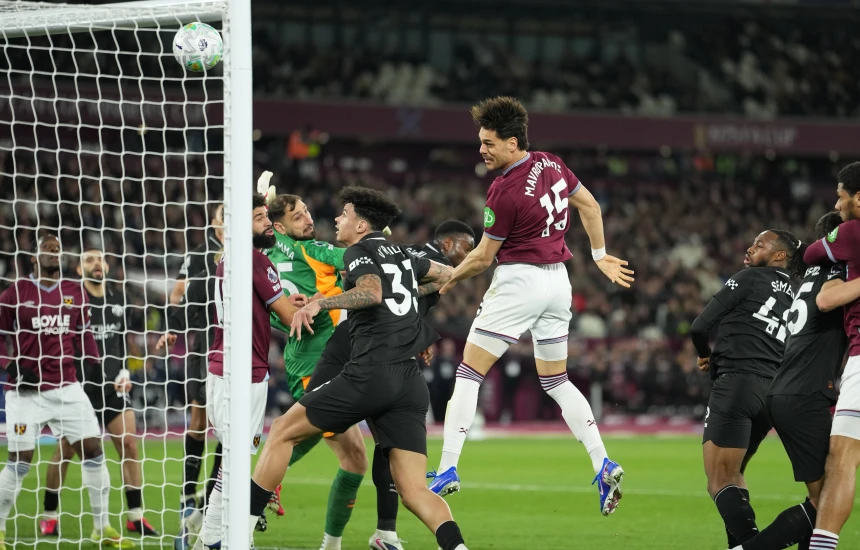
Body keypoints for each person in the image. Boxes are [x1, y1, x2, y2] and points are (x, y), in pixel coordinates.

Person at [428, 96, 633, 517]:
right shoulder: (552, 163)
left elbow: (483, 258)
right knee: (556, 380)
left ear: (512, 142)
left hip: (519, 281)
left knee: (468, 373)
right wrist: (599, 255)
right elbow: (590, 205)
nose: (482, 150)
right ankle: (602, 462)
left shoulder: (503, 191)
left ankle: (447, 468)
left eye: (488, 143)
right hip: (559, 281)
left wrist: (448, 280)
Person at [248, 186, 470, 550]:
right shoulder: (401, 254)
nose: (337, 218)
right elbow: (447, 275)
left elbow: (371, 292)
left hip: (369, 373)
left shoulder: (358, 251)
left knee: (283, 430)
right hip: (409, 383)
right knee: (414, 491)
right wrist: (410, 317)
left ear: (362, 225)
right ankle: (455, 547)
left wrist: (322, 304)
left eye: (345, 213)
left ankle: (240, 532)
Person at [304, 220, 476, 550]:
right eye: (466, 249)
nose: (468, 256)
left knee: (382, 446)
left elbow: (399, 302)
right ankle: (255, 496)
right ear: (448, 244)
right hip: (360, 345)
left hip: (378, 348)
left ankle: (385, 534)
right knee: (297, 428)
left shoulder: (407, 253)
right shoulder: (430, 264)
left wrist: (416, 335)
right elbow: (393, 294)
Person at [160, 194, 305, 549]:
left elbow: (258, 307)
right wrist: (319, 304)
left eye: (266, 216)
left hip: (219, 368)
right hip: (245, 374)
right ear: (242, 226)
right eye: (259, 218)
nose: (268, 223)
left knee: (232, 461)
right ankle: (221, 537)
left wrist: (283, 303)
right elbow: (291, 319)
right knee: (237, 463)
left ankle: (209, 538)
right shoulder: (256, 261)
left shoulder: (227, 258)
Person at [0, 235, 132, 549]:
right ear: (34, 257)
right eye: (46, 248)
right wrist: (10, 366)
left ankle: (102, 528)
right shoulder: (15, 293)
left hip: (67, 387)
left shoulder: (74, 291)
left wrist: (96, 365)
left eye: (57, 249)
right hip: (26, 392)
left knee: (94, 451)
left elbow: (84, 334)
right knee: (20, 461)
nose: (53, 252)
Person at [731, 213, 853, 550]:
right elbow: (830, 302)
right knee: (826, 501)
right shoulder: (838, 274)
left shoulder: (812, 273)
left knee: (823, 497)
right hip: (805, 393)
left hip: (788, 389)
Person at [260, 188, 367, 546]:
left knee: (350, 456)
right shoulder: (315, 250)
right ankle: (254, 489)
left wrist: (267, 201)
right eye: (298, 216)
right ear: (281, 226)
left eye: (307, 211)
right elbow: (357, 257)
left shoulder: (265, 254)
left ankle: (263, 485)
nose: (309, 219)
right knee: (334, 445)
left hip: (305, 357)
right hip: (319, 361)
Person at [690, 229, 806, 548]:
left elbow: (699, 327)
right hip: (774, 391)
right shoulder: (800, 291)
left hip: (738, 383)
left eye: (760, 245)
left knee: (718, 480)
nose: (750, 248)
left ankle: (753, 545)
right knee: (735, 474)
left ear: (780, 255)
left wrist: (704, 355)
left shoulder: (749, 278)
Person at [40, 249, 158, 538]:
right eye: (88, 260)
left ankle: (135, 516)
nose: (96, 264)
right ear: (79, 270)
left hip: (113, 387)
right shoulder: (71, 302)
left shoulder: (119, 300)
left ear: (106, 266)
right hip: (79, 389)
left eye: (99, 259)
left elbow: (122, 341)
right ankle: (50, 515)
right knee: (66, 451)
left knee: (129, 445)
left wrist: (126, 371)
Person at [802, 162, 860, 550]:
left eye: (841, 196)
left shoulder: (853, 231)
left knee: (841, 459)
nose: (837, 205)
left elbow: (810, 254)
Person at [166, 203, 224, 550]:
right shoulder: (200, 255)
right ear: (214, 222)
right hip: (205, 345)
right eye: (222, 215)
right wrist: (174, 326)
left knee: (229, 426)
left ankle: (211, 497)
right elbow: (178, 293)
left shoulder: (249, 253)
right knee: (199, 419)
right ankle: (188, 497)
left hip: (238, 346)